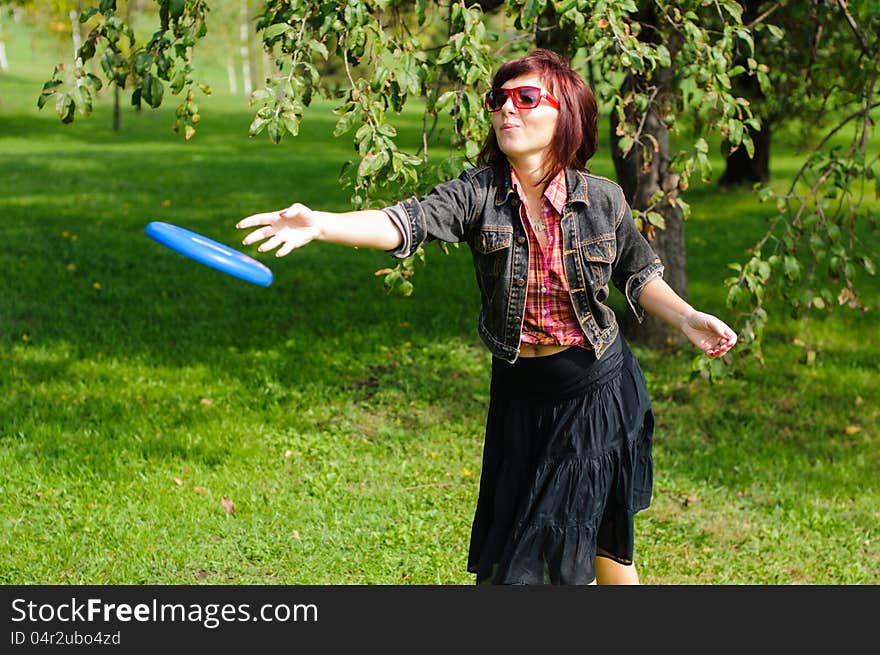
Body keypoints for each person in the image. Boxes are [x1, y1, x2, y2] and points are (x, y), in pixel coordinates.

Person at [236, 49, 737, 585]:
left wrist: (685, 319)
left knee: (583, 547)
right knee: (568, 547)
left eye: (525, 98)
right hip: (520, 397)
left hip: (595, 390)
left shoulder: (603, 199)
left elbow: (637, 273)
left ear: (564, 113)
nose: (506, 111)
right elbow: (407, 223)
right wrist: (322, 224)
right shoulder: (479, 194)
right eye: (497, 100)